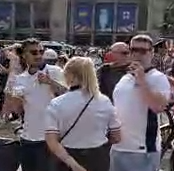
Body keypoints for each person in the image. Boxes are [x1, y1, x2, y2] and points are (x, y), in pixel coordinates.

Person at [46, 57, 121, 171]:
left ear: (70, 76)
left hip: (66, 158)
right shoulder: (104, 101)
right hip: (98, 158)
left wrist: (73, 164)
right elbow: (117, 136)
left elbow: (52, 141)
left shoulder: (57, 103)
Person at [110, 34, 171, 171]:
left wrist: (142, 81)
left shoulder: (158, 78)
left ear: (151, 53)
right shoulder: (124, 78)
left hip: (142, 150)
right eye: (133, 50)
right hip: (118, 147)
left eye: (143, 51)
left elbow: (158, 106)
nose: (138, 54)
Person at [9, 39, 66, 171]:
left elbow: (70, 94)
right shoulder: (20, 79)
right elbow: (17, 110)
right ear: (24, 55)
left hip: (50, 138)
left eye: (41, 51)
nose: (39, 55)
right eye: (34, 52)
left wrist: (50, 82)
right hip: (27, 137)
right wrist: (16, 99)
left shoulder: (54, 71)